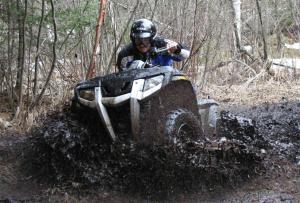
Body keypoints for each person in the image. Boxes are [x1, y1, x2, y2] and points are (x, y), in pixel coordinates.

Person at [116, 18, 190, 71]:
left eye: (145, 40)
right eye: (138, 40)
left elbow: (186, 53)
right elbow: (122, 76)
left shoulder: (163, 44)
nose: (142, 44)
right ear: (133, 39)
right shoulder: (125, 54)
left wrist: (177, 50)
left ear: (152, 38)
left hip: (166, 84)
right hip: (138, 88)